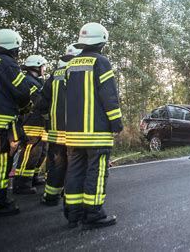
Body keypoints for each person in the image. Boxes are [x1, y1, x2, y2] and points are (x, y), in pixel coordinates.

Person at [64, 23, 123, 229]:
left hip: (72, 133)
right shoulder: (101, 62)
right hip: (96, 133)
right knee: (96, 173)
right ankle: (94, 215)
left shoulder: (70, 65)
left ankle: (74, 215)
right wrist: (116, 123)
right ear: (102, 41)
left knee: (75, 171)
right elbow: (109, 96)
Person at [38, 44, 81, 206]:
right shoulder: (83, 73)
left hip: (56, 131)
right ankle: (71, 199)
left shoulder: (55, 75)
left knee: (56, 164)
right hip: (76, 132)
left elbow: (41, 102)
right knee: (74, 164)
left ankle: (50, 197)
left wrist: (47, 119)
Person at [0, 29, 32, 216]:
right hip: (0, 125)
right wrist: (26, 108)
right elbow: (22, 91)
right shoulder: (7, 64)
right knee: (2, 162)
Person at [13, 55, 48, 194]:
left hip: (39, 122)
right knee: (30, 151)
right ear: (36, 66)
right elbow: (39, 100)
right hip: (31, 123)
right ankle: (21, 182)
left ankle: (33, 176)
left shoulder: (36, 81)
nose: (44, 69)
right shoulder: (29, 82)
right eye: (43, 66)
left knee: (40, 151)